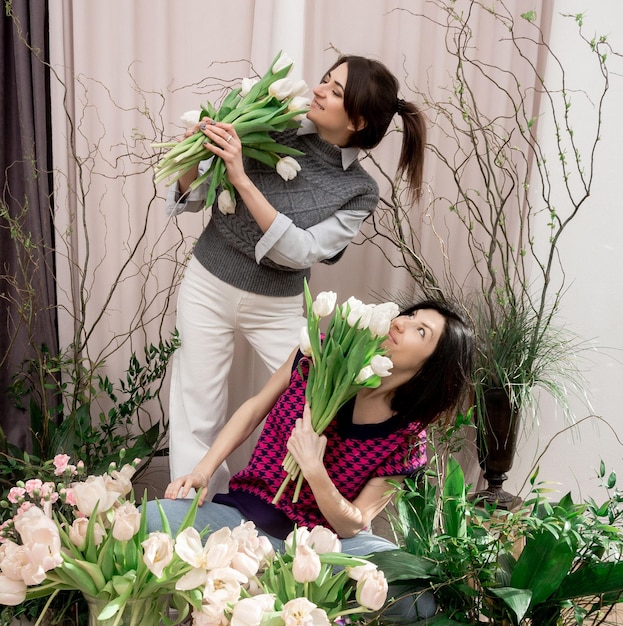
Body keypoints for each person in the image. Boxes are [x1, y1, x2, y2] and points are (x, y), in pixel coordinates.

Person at [165, 54, 428, 495]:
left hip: (279, 304)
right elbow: (191, 197)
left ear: (358, 120)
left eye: (336, 90)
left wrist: (243, 179)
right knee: (197, 405)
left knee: (318, 400)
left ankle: (302, 504)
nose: (319, 89)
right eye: (326, 79)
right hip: (208, 282)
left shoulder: (360, 190)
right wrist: (195, 152)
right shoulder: (270, 124)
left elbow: (304, 251)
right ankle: (194, 516)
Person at [145, 298, 474, 621]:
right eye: (410, 314)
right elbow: (255, 407)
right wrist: (203, 470)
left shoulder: (406, 440)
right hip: (248, 519)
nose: (401, 322)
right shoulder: (318, 354)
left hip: (326, 546)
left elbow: (353, 521)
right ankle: (277, 588)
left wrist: (315, 471)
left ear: (433, 367)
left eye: (421, 331)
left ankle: (275, 588)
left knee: (416, 599)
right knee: (146, 522)